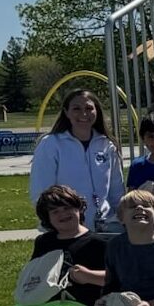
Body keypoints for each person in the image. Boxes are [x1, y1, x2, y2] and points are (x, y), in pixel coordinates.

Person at [28, 89, 125, 230]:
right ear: (66, 112)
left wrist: (121, 219)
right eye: (76, 109)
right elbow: (41, 192)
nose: (83, 114)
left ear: (97, 111)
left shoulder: (107, 145)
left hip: (106, 226)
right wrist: (55, 224)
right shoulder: (51, 144)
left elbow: (116, 191)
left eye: (89, 108)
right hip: (67, 228)